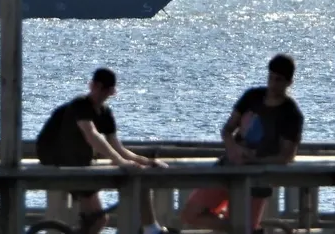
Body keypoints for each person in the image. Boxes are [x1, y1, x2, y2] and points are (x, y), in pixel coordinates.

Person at [178, 54, 304, 234]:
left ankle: (244, 229)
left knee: (244, 228)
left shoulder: (291, 114)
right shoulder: (252, 96)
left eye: (279, 80)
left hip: (258, 178)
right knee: (190, 214)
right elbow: (227, 130)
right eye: (271, 77)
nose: (273, 84)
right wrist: (233, 149)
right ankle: (240, 228)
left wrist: (256, 161)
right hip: (227, 168)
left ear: (289, 82)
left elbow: (286, 156)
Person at [36, 67, 171, 234]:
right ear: (91, 85)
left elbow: (117, 147)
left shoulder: (105, 113)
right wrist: (121, 162)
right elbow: (91, 134)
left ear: (111, 91)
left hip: (80, 162)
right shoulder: (80, 104)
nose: (100, 93)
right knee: (97, 219)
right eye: (97, 88)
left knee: (98, 220)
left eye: (105, 90)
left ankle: (151, 228)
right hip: (58, 159)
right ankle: (150, 229)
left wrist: (146, 162)